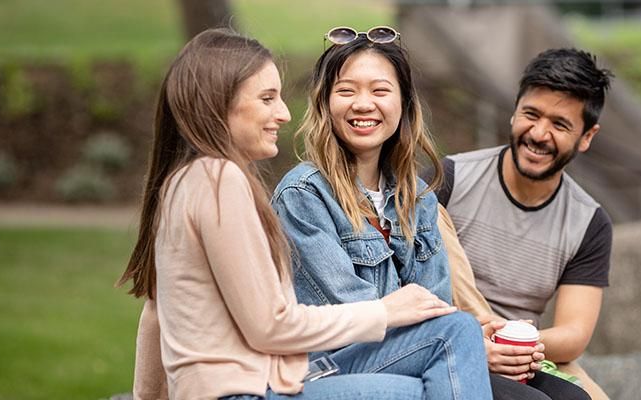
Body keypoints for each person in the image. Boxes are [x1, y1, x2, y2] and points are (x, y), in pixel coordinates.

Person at [117, 27, 488, 400]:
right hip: (244, 391)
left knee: (448, 345)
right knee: (444, 352)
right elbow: (270, 326)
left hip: (253, 384)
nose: (282, 113)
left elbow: (156, 307)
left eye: (380, 91)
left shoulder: (187, 180)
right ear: (220, 102)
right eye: (267, 98)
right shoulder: (221, 180)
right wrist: (384, 312)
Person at [271, 26, 497, 400]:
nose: (363, 104)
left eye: (380, 91)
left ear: (404, 104)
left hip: (404, 355)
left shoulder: (417, 198)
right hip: (324, 365)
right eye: (346, 91)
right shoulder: (303, 194)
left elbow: (432, 303)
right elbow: (354, 311)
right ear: (325, 104)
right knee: (455, 334)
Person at [430, 48, 614, 400]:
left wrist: (512, 343)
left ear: (587, 136)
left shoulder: (589, 222)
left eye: (560, 125)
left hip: (527, 351)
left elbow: (574, 333)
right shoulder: (450, 179)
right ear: (514, 112)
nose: (539, 134)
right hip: (450, 333)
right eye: (531, 114)